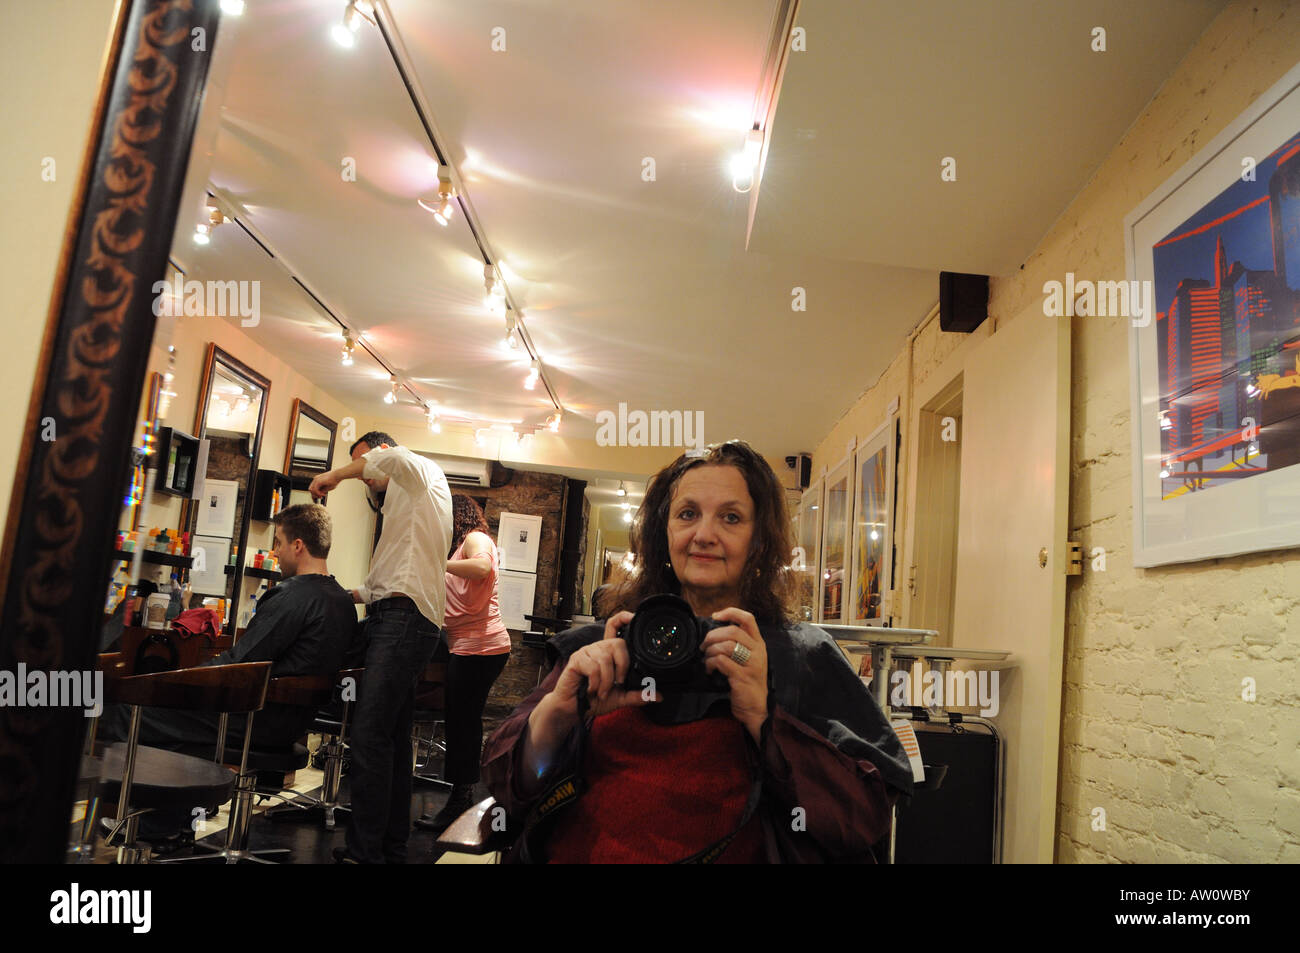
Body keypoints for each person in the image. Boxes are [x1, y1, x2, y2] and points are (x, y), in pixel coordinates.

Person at [481, 439, 914, 863]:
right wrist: (557, 714)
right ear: (663, 532)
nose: (704, 535)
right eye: (688, 514)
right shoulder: (601, 644)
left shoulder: (802, 654)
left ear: (759, 540)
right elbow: (507, 785)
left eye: (730, 517)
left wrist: (765, 720)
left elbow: (865, 815)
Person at [100, 503, 359, 752]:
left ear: (298, 545)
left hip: (254, 720)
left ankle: (126, 794)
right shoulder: (343, 602)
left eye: (278, 542)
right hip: (294, 724)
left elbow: (239, 664)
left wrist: (173, 680)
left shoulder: (293, 596)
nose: (276, 552)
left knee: (125, 710)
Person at [309, 430, 452, 864]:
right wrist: (342, 593)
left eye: (365, 463)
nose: (365, 475)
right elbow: (382, 581)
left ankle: (365, 851)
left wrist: (335, 475)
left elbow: (387, 460)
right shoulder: (408, 504)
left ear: (382, 451)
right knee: (391, 739)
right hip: (404, 617)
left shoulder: (418, 470)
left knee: (369, 737)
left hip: (404, 620)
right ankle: (390, 846)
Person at [414, 495, 511, 833]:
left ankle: (460, 801)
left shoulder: (475, 538)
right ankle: (461, 796)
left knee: (462, 724)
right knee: (462, 723)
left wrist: (436, 563)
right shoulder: (458, 548)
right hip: (469, 645)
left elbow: (483, 567)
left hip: (481, 646)